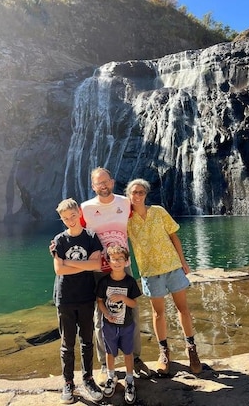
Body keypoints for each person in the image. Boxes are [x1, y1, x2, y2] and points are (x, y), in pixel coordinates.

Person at [124, 178, 203, 375]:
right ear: (128, 195)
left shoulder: (158, 211)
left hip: (172, 266)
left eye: (141, 192)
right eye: (134, 192)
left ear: (146, 194)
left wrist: (183, 262)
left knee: (182, 308)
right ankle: (164, 352)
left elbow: (173, 236)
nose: (138, 195)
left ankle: (191, 349)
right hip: (150, 272)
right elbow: (112, 235)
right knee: (158, 313)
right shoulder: (126, 220)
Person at [79, 167, 150, 383]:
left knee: (132, 311)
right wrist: (58, 244)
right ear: (93, 186)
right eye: (98, 183)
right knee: (101, 313)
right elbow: (75, 231)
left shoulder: (125, 203)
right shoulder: (86, 208)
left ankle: (135, 358)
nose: (103, 185)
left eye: (106, 181)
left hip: (124, 265)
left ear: (112, 182)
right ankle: (104, 363)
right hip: (99, 269)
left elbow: (144, 219)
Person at [51, 198, 104, 404]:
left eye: (73, 216)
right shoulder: (59, 240)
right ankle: (68, 382)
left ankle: (88, 379)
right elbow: (59, 270)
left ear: (79, 214)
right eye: (65, 218)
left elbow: (97, 264)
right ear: (62, 219)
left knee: (87, 341)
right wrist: (85, 263)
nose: (70, 220)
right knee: (67, 343)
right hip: (64, 297)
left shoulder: (91, 236)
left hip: (85, 295)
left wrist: (70, 262)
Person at [96, 244, 142, 404]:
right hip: (109, 325)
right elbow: (100, 301)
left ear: (126, 261)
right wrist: (106, 314)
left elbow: (134, 304)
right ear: (108, 261)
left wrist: (123, 298)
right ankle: (111, 376)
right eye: (113, 259)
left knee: (128, 352)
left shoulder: (130, 282)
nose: (116, 262)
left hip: (127, 325)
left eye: (120, 259)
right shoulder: (104, 282)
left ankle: (129, 380)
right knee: (110, 352)